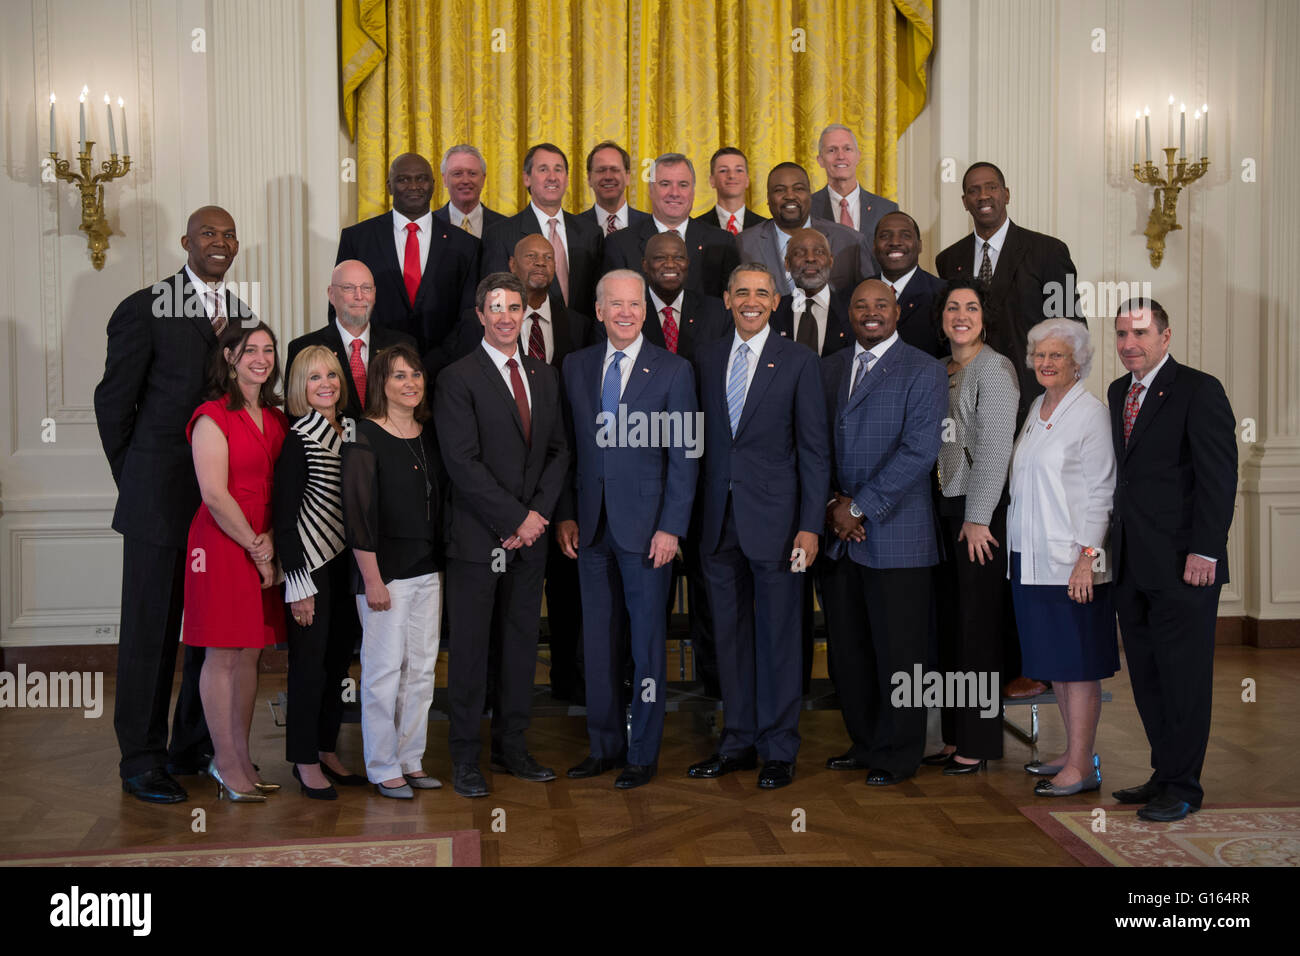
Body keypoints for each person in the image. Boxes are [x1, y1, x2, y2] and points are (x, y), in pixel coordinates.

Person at [93, 204, 240, 804]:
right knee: (150, 631)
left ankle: (190, 747)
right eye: (208, 233)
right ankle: (141, 758)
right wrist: (136, 479)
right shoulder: (145, 306)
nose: (220, 242)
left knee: (208, 631)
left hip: (218, 506)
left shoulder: (243, 315)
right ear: (186, 241)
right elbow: (113, 405)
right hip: (157, 500)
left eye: (229, 234)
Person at [555, 270, 699, 789]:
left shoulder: (674, 370)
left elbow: (686, 458)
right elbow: (566, 449)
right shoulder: (575, 366)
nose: (624, 312)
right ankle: (604, 746)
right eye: (614, 303)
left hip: (648, 535)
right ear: (598, 310)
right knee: (598, 644)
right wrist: (568, 514)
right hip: (590, 528)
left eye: (634, 304)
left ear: (645, 311)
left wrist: (672, 528)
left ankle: (643, 752)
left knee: (645, 646)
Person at [689, 264, 828, 789]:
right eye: (741, 292)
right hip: (717, 524)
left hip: (779, 525)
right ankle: (738, 742)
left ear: (775, 302)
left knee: (778, 639)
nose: (751, 301)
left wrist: (810, 526)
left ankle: (778, 748)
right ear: (726, 299)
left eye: (761, 294)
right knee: (728, 639)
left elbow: (815, 452)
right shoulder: (703, 358)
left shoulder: (798, 361)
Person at [434, 273, 571, 798]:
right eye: (496, 307)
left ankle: (512, 745)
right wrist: (514, 518)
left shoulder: (544, 374)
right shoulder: (457, 377)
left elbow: (559, 451)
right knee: (470, 651)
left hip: (530, 539)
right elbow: (462, 464)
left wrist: (535, 516)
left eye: (515, 306)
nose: (507, 316)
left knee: (518, 647)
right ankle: (466, 757)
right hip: (477, 538)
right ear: (480, 314)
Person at [1108, 298, 1237, 822]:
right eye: (1121, 334)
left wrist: (1205, 550)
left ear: (1166, 336)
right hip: (1133, 564)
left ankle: (1184, 787)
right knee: (1147, 675)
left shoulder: (1198, 390)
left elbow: (1218, 477)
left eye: (1140, 332)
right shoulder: (1119, 393)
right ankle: (1164, 772)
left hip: (1186, 564)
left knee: (1183, 678)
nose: (1129, 344)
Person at [820, 279, 946, 785]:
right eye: (860, 306)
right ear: (848, 313)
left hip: (897, 532)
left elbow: (920, 451)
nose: (871, 314)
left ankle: (899, 753)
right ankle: (865, 741)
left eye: (881, 305)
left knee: (902, 652)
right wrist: (834, 505)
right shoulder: (828, 367)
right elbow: (812, 442)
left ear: (897, 311)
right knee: (849, 651)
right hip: (838, 533)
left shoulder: (924, 368)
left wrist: (862, 508)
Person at [1007, 318, 1117, 797]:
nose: (1046, 363)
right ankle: (1072, 755)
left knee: (1079, 665)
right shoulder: (1037, 404)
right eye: (1040, 355)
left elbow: (1101, 491)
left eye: (1057, 356)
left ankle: (1083, 766)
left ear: (1078, 363)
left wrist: (1086, 559)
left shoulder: (1091, 413)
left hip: (1071, 564)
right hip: (1030, 559)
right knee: (1056, 665)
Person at [184, 321, 289, 802]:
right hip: (225, 543)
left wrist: (271, 541)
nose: (262, 359)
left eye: (269, 350)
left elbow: (287, 488)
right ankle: (224, 764)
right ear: (230, 357)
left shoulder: (277, 416)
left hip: (264, 539)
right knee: (223, 653)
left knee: (250, 653)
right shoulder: (211, 415)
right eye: (251, 350)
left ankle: (240, 757)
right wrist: (255, 545)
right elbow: (213, 494)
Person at [342, 344, 447, 798]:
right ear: (381, 384)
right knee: (383, 670)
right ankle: (382, 764)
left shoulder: (429, 431)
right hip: (384, 574)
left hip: (427, 569)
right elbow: (358, 515)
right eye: (399, 376)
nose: (411, 383)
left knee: (421, 670)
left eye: (416, 374)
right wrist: (371, 580)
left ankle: (410, 759)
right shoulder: (363, 435)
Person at [924, 282, 1019, 774]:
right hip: (943, 508)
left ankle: (979, 740)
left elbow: (997, 451)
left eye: (972, 307)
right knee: (952, 626)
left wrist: (979, 516)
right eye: (952, 307)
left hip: (978, 516)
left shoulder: (994, 369)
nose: (961, 315)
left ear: (986, 316)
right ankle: (954, 735)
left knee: (977, 629)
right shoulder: (941, 369)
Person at [273, 344, 366, 800]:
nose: (326, 384)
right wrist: (298, 584)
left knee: (336, 665)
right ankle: (303, 759)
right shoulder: (297, 437)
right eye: (314, 378)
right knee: (308, 668)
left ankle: (327, 747)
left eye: (331, 374)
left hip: (350, 566)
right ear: (299, 388)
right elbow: (284, 517)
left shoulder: (352, 429)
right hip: (311, 566)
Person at [934, 162, 1082, 424]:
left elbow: (1072, 327)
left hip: (1033, 394)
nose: (983, 196)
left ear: (1007, 194)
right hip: (966, 398)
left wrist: (1059, 392)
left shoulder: (1048, 252)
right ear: (964, 201)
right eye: (974, 190)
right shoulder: (948, 259)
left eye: (992, 187)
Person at [334, 151, 479, 356]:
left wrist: (438, 363)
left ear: (434, 185)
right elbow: (340, 307)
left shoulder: (466, 245)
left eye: (421, 179)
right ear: (389, 186)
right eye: (403, 180)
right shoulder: (357, 239)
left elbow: (469, 315)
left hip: (446, 370)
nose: (413, 186)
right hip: (376, 365)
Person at [481, 143, 605, 318]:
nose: (552, 177)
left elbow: (598, 297)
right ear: (527, 178)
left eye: (558, 169)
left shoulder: (591, 233)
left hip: (584, 340)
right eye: (543, 169)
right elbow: (495, 301)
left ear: (567, 178)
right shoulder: (500, 234)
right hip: (528, 338)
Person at [286, 260, 417, 421]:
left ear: (374, 294)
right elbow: (294, 414)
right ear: (331, 294)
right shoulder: (303, 347)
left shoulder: (402, 345)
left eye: (366, 288)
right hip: (329, 444)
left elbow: (415, 409)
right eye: (348, 288)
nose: (359, 296)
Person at [603, 153, 739, 299]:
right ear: (650, 189)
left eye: (683, 185)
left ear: (693, 192)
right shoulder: (620, 243)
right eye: (665, 184)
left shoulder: (722, 242)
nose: (674, 193)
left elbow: (729, 308)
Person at [737, 163, 876, 295]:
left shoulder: (850, 241)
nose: (790, 196)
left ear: (810, 195)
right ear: (768, 198)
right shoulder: (744, 243)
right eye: (779, 190)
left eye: (798, 189)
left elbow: (869, 296)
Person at [871, 211, 946, 358]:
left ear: (919, 246)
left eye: (905, 235)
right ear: (874, 247)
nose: (895, 242)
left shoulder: (944, 295)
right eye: (885, 236)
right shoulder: (855, 294)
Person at [769, 228, 853, 356]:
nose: (810, 258)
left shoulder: (851, 311)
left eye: (819, 252)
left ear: (831, 261)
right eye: (799, 253)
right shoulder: (773, 312)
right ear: (787, 264)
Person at [811, 124, 899, 243]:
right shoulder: (808, 209)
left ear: (858, 156)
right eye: (832, 150)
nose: (841, 156)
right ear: (820, 160)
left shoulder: (886, 209)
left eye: (847, 149)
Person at [691, 147, 769, 234]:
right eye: (723, 170)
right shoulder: (695, 228)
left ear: (747, 180)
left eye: (739, 170)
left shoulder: (766, 228)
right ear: (712, 181)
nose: (732, 175)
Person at [432, 144, 504, 238]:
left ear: (483, 179)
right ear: (444, 179)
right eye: (457, 174)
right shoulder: (430, 224)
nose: (465, 180)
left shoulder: (504, 226)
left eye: (472, 174)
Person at [580, 141, 651, 235]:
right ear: (589, 178)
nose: (608, 177)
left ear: (627, 176)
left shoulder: (650, 225)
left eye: (615, 170)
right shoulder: (573, 227)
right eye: (601, 170)